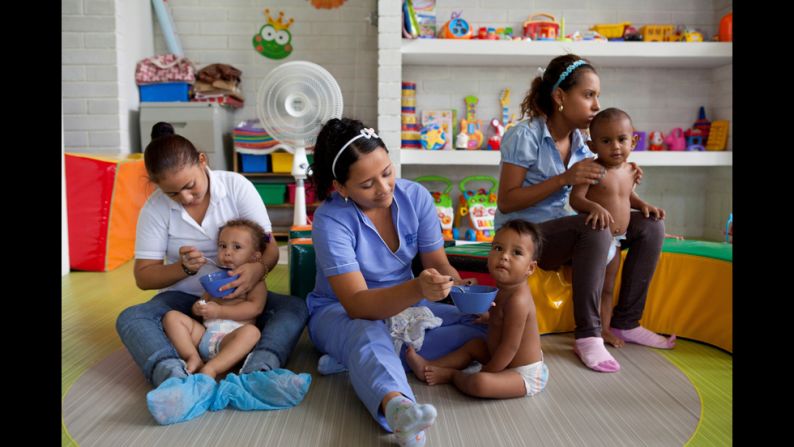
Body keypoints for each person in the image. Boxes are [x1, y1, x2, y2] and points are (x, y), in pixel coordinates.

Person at [306, 117, 488, 447]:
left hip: (408, 306)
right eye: (367, 184)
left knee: (486, 327)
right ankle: (399, 409)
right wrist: (418, 288)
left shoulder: (415, 197)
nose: (385, 187)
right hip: (342, 312)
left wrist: (467, 294)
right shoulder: (330, 219)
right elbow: (358, 304)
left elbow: (438, 265)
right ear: (341, 188)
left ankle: (363, 359)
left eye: (387, 172)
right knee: (367, 331)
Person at [116, 122, 309, 423]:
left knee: (295, 308)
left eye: (190, 185)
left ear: (202, 161)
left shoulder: (235, 187)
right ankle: (177, 380)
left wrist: (256, 270)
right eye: (172, 193)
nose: (185, 198)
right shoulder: (154, 210)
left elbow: (269, 248)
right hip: (183, 301)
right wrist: (181, 268)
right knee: (131, 318)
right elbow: (144, 277)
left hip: (240, 300)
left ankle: (258, 373)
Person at [494, 54, 670, 373]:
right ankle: (588, 336)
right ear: (560, 97)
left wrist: (624, 173)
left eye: (597, 96)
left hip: (564, 231)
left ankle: (626, 322)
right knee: (595, 229)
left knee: (651, 226)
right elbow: (507, 201)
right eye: (588, 95)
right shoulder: (525, 135)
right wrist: (563, 178)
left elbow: (602, 186)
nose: (596, 105)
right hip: (525, 237)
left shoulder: (582, 143)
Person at [405, 219, 549, 399]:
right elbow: (501, 319)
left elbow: (510, 347)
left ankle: (452, 375)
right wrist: (488, 317)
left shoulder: (518, 300)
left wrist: (488, 371)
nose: (504, 256)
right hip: (499, 356)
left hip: (522, 373)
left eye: (516, 252)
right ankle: (430, 366)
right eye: (498, 248)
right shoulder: (501, 288)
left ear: (530, 268)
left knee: (480, 383)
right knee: (474, 345)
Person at [569, 108, 675, 349]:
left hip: (615, 241)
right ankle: (592, 331)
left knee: (608, 289)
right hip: (595, 241)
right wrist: (593, 206)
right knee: (595, 287)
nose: (615, 147)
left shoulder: (629, 170)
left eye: (621, 139)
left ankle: (608, 329)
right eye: (606, 141)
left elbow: (628, 197)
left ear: (633, 141)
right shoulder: (592, 169)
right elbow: (576, 199)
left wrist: (644, 205)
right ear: (592, 145)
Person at [163, 219, 269, 379]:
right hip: (204, 335)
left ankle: (212, 368)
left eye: (237, 247)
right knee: (171, 317)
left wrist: (219, 311)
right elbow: (202, 301)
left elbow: (255, 308)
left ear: (255, 256)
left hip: (230, 340)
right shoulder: (215, 278)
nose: (227, 252)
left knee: (252, 333)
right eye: (222, 246)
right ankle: (193, 356)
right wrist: (198, 307)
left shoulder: (256, 282)